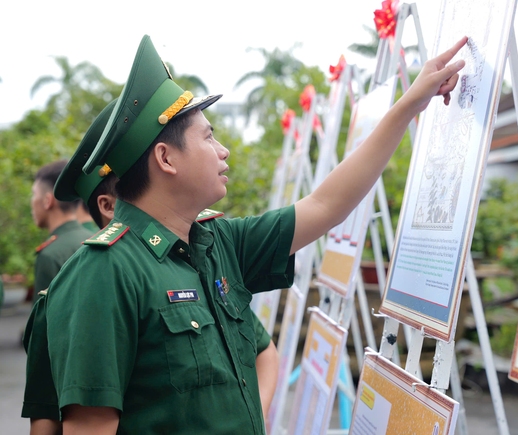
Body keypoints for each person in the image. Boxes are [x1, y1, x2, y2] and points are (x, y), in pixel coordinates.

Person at [44, 34, 466, 434]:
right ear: (166, 158)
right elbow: (90, 427)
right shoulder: (104, 273)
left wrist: (410, 104)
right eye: (209, 137)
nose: (223, 150)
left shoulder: (217, 243)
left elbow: (324, 205)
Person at [23, 99, 280, 433]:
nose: (222, 151)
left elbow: (261, 350)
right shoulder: (97, 274)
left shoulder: (194, 254)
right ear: (108, 206)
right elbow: (58, 418)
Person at [30, 160, 94, 301]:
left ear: (47, 201)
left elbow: (42, 320)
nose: (32, 202)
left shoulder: (50, 255)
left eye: (34, 194)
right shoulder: (95, 239)